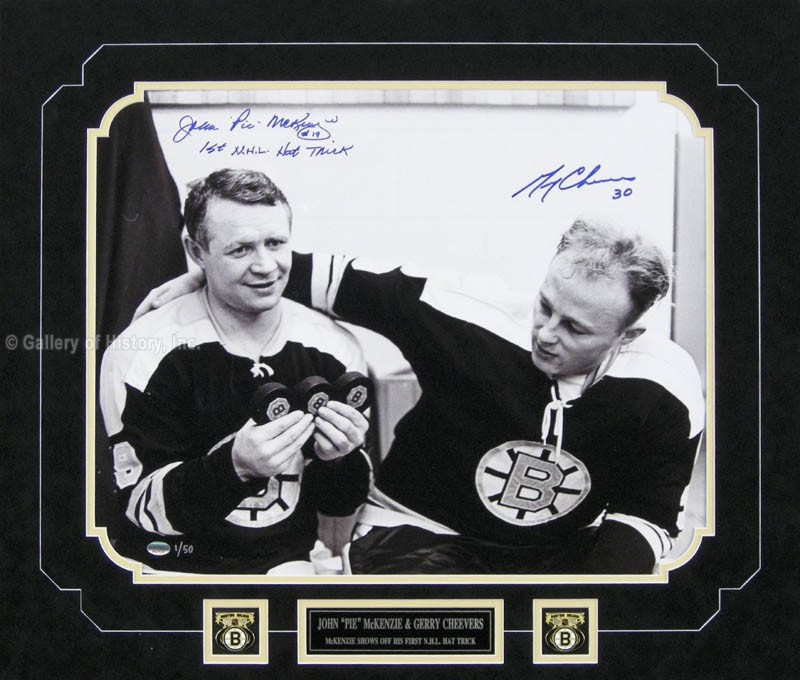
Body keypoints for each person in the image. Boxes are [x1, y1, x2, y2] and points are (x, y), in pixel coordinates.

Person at [137, 218, 705, 575]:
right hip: (419, 526)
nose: (547, 333)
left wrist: (600, 601)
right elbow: (338, 279)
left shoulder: (666, 388)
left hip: (558, 549)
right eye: (545, 305)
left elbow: (646, 517)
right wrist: (217, 278)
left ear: (628, 334)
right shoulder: (468, 314)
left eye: (576, 328)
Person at [100, 168, 371, 574]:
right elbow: (140, 512)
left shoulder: (335, 348)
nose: (266, 266)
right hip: (174, 570)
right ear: (197, 252)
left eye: (275, 243)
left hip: (288, 566)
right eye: (241, 249)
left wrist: (341, 459)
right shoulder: (143, 352)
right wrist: (234, 467)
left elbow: (338, 505)